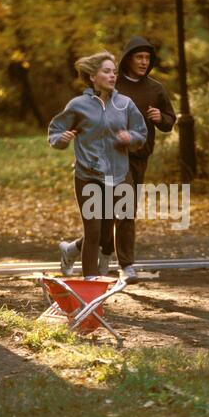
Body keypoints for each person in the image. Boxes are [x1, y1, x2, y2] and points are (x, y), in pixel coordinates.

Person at [59, 37, 176, 282]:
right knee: (113, 215)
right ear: (128, 60)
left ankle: (76, 250)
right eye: (139, 57)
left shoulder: (155, 89)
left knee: (120, 213)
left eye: (147, 58)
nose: (144, 62)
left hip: (139, 157)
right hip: (110, 158)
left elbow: (170, 120)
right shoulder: (112, 82)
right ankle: (126, 265)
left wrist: (160, 118)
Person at [48, 51, 147, 278]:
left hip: (119, 174)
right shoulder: (78, 105)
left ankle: (71, 250)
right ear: (93, 76)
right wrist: (60, 140)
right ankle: (90, 283)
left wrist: (130, 138)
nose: (112, 76)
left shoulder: (125, 104)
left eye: (114, 72)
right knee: (93, 232)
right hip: (87, 175)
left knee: (109, 230)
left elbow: (141, 133)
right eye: (106, 71)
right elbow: (56, 131)